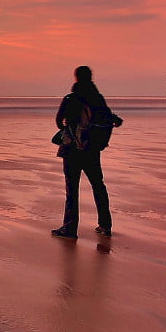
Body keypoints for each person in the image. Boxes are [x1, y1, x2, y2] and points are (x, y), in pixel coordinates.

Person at [51, 65, 123, 240]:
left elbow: (58, 122)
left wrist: (71, 128)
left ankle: (70, 228)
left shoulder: (71, 99)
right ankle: (105, 225)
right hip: (91, 150)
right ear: (91, 77)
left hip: (72, 151)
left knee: (72, 190)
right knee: (98, 186)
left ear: (76, 77)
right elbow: (115, 120)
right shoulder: (97, 99)